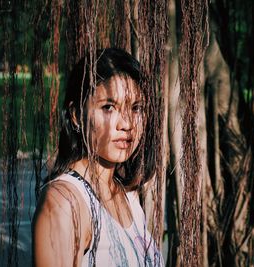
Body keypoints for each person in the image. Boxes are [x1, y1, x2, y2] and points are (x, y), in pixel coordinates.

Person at [32, 48, 163, 266]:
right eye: (108, 107)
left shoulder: (127, 195)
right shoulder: (64, 203)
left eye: (136, 108)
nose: (127, 124)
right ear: (76, 116)